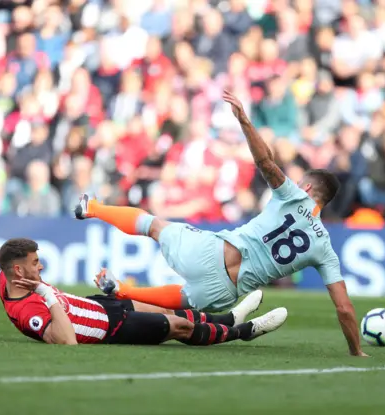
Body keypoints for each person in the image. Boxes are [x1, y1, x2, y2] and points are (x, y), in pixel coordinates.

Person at [75, 90, 367, 357]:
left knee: (154, 226)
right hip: (224, 293)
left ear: (306, 189)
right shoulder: (324, 248)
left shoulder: (293, 195)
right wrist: (356, 351)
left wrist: (245, 122)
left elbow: (265, 162)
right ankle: (124, 290)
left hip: (212, 252)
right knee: (179, 301)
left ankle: (93, 208)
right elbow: (343, 307)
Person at [0, 238, 287, 346]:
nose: (41, 267)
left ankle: (229, 317)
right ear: (19, 271)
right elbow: (67, 341)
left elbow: (9, 261)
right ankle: (245, 331)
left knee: (166, 310)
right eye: (35, 264)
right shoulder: (27, 312)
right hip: (111, 329)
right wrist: (46, 294)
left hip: (97, 305)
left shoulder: (10, 277)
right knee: (180, 326)